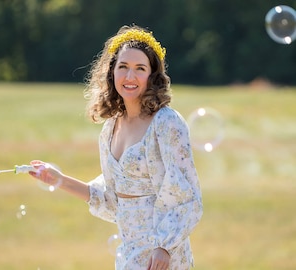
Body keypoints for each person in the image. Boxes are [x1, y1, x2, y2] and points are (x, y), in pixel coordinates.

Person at [29, 24, 203, 270]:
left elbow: (188, 196)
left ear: (152, 76)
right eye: (123, 67)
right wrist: (58, 179)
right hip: (129, 253)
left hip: (162, 256)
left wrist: (165, 246)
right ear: (112, 72)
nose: (129, 77)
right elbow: (111, 200)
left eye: (140, 69)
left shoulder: (166, 122)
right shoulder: (110, 128)